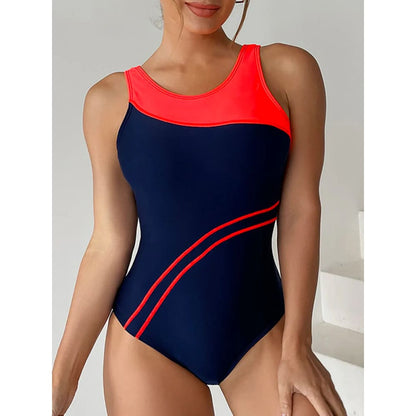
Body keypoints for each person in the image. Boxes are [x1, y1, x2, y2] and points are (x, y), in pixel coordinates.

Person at [52, 1, 348, 415]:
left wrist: (298, 344)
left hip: (261, 331)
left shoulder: (287, 73)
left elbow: (301, 210)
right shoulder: (110, 102)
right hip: (148, 339)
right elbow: (108, 244)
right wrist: (60, 383)